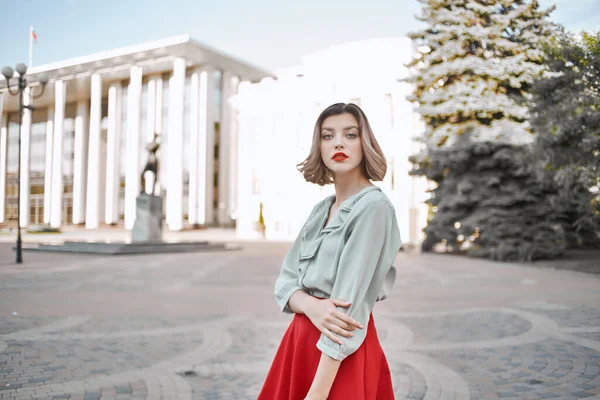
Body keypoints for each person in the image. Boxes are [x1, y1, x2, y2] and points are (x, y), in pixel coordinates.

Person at [258, 103, 401, 400]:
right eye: (327, 136)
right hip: (299, 341)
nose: (338, 142)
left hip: (338, 354)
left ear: (365, 144)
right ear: (319, 147)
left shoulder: (372, 208)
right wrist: (312, 306)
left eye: (350, 134)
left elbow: (346, 314)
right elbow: (285, 283)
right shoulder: (321, 209)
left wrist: (317, 393)